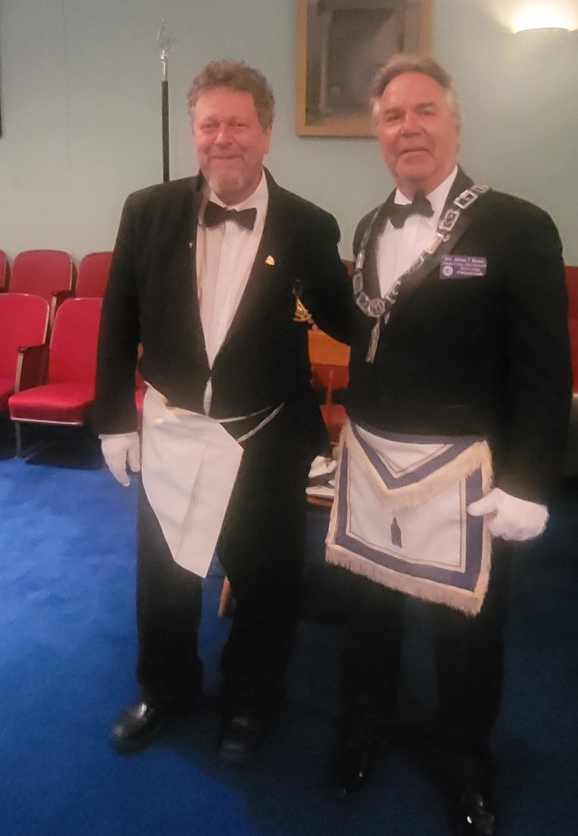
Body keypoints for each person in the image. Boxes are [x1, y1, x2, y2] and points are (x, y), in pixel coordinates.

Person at [326, 54, 572, 835]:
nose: (409, 128)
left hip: (466, 470)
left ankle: (467, 760)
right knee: (369, 611)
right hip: (373, 460)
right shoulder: (369, 225)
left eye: (425, 110)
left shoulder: (518, 226)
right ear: (379, 134)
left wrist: (529, 480)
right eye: (393, 116)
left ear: (456, 124)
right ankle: (365, 725)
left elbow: (545, 368)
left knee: (467, 630)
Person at [93, 59, 352, 763]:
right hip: (171, 429)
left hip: (263, 435)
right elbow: (117, 319)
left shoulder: (308, 225)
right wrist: (113, 419)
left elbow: (346, 319)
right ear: (194, 133)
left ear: (266, 133)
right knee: (165, 576)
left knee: (266, 581)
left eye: (238, 124)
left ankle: (251, 699)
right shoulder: (147, 210)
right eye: (209, 124)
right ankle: (166, 688)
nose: (222, 138)